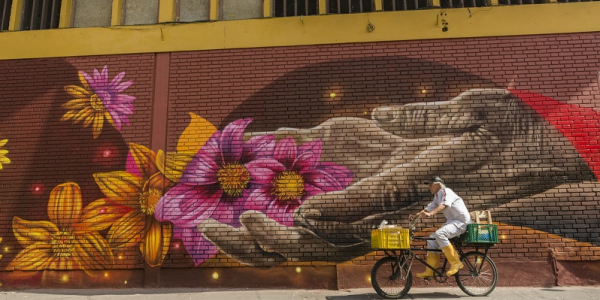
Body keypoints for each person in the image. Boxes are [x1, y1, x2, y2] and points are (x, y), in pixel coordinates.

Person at [412, 176, 472, 278]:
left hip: (461, 222)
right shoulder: (437, 196)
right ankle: (431, 271)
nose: (429, 187)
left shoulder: (445, 191)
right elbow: (429, 207)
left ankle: (455, 262)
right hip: (452, 223)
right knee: (431, 239)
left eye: (431, 185)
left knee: (440, 234)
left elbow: (444, 205)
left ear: (438, 184)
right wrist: (416, 215)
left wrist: (430, 214)